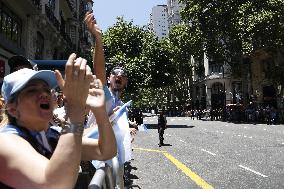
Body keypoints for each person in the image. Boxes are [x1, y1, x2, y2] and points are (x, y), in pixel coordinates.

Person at [0, 53, 116, 188]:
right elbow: (54, 185)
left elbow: (105, 151)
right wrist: (75, 109)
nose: (43, 93)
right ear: (12, 109)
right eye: (31, 91)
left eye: (46, 89)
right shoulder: (5, 141)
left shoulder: (53, 135)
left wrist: (100, 111)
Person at [84, 11, 134, 188]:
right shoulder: (105, 95)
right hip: (98, 161)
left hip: (116, 160)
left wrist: (129, 129)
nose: (118, 76)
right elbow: (99, 71)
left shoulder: (121, 104)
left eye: (123, 75)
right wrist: (98, 39)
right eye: (115, 73)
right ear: (109, 78)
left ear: (126, 81)